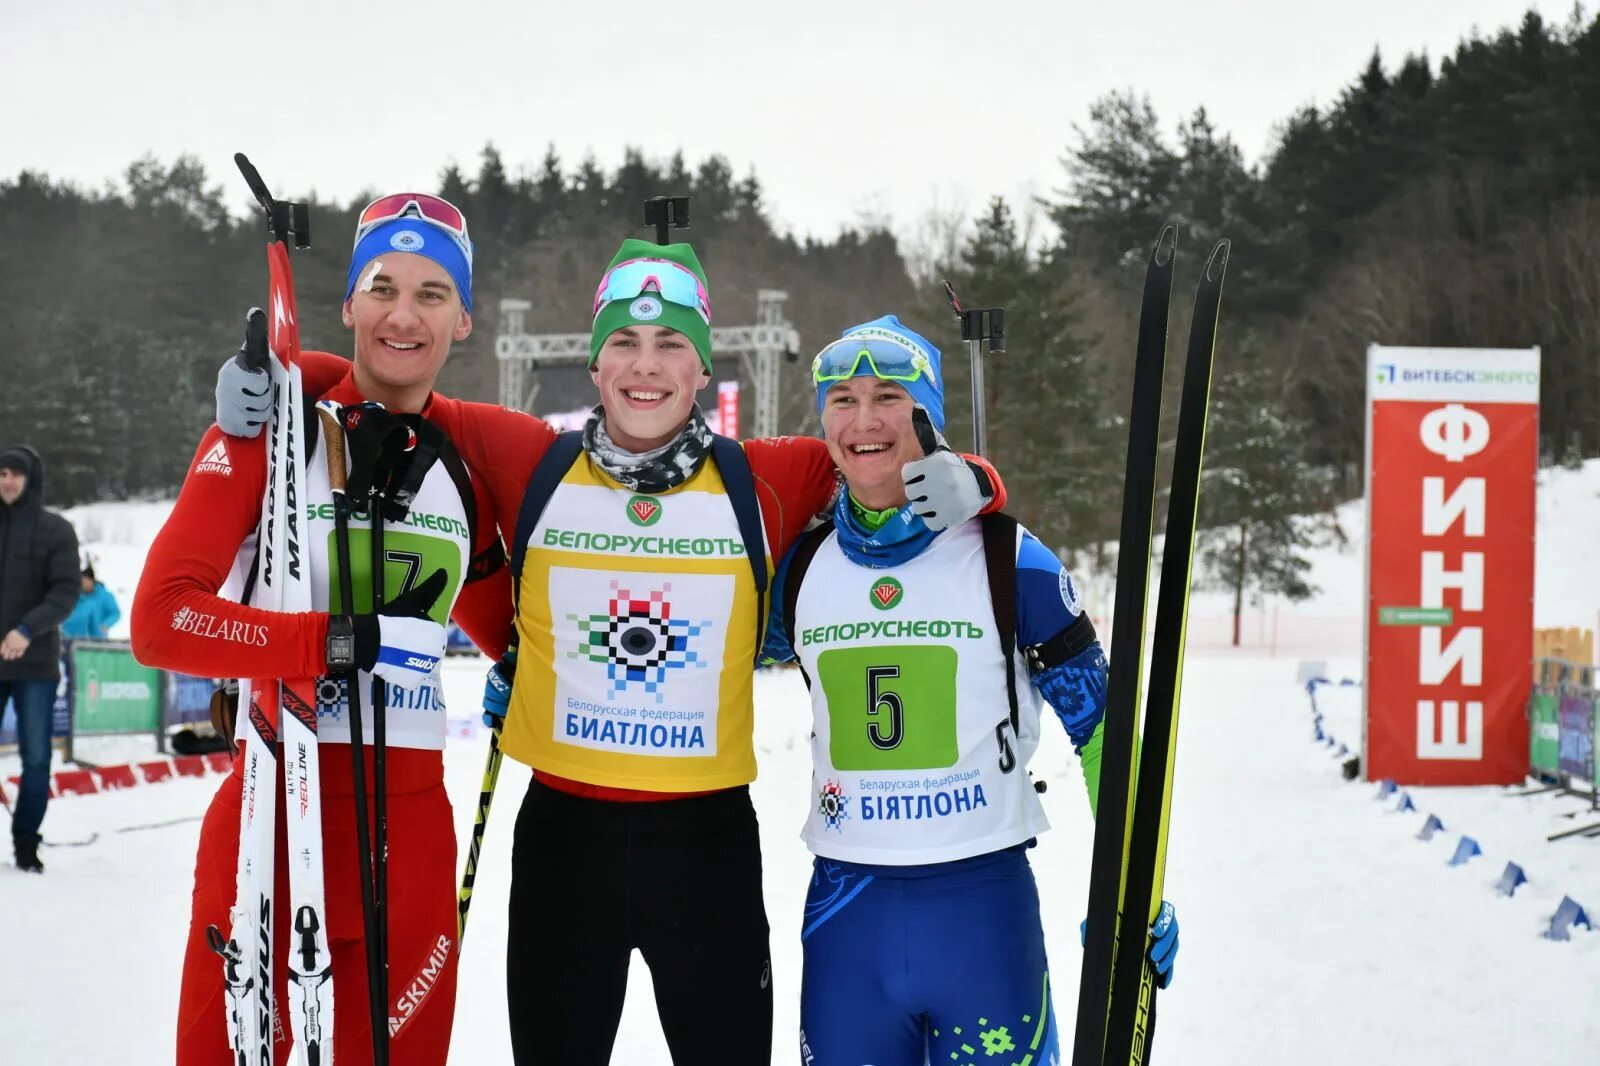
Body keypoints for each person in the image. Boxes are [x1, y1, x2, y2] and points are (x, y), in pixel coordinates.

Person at [226, 234, 1007, 1065]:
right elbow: (390, 373)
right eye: (624, 344)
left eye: (672, 343)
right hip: (567, 844)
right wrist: (281, 379)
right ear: (596, 367)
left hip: (706, 848)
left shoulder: (767, 477)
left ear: (703, 368)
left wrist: (977, 477)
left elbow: (879, 452)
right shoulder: (531, 458)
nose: (647, 365)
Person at [134, 192, 526, 1066]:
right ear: (349, 303)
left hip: (413, 836)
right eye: (382, 286)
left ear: (464, 318)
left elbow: (518, 635)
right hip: (272, 820)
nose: (403, 314)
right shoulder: (263, 434)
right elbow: (161, 623)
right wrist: (321, 646)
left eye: (432, 294)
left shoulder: (465, 464)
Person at [759, 317, 1182, 1065]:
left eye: (889, 396)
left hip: (982, 913)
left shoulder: (1005, 556)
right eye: (843, 399)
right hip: (846, 919)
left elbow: (1103, 730)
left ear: (929, 414)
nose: (865, 419)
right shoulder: (800, 568)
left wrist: (1132, 888)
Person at [0, 445, 81, 874]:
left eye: (14, 473)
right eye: (1, 473)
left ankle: (26, 840)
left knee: (35, 758)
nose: (7, 480)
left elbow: (65, 593)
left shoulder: (56, 530)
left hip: (35, 666)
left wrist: (26, 630)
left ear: (30, 479)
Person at [61, 561, 120, 640]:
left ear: (91, 580)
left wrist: (106, 624)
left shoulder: (105, 596)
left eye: (84, 581)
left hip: (97, 639)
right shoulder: (76, 596)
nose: (82, 584)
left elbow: (115, 612)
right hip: (74, 639)